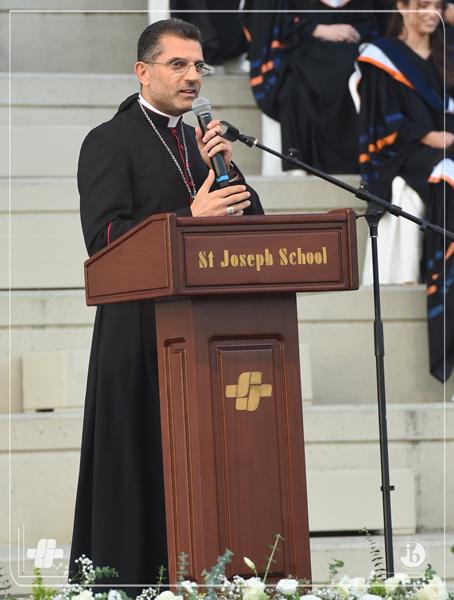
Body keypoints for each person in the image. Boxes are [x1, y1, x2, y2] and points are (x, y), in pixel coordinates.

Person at [69, 18, 263, 593]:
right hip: (138, 334)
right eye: (177, 64)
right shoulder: (110, 140)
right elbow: (105, 242)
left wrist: (224, 167)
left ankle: (206, 575)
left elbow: (254, 226)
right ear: (143, 71)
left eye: (199, 65)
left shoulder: (205, 144)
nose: (192, 76)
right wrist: (189, 219)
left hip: (208, 334)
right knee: (143, 470)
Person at [355, 0, 454, 382]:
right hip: (405, 154)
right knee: (445, 176)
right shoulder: (382, 56)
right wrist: (426, 135)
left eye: (436, 5)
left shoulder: (447, 54)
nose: (430, 12)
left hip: (447, 148)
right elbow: (380, 121)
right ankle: (442, 270)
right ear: (401, 6)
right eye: (422, 4)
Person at [243, 0, 378, 174]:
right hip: (299, 46)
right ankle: (299, 160)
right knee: (294, 85)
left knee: (352, 69)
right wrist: (318, 30)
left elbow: (371, 21)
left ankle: (352, 161)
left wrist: (354, 32)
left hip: (350, 47)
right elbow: (274, 20)